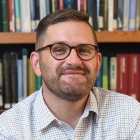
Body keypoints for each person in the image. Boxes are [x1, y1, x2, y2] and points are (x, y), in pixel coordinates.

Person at [0, 9, 140, 140]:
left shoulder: (130, 115)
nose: (74, 61)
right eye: (59, 50)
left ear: (98, 62)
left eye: (84, 50)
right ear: (37, 63)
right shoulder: (8, 130)